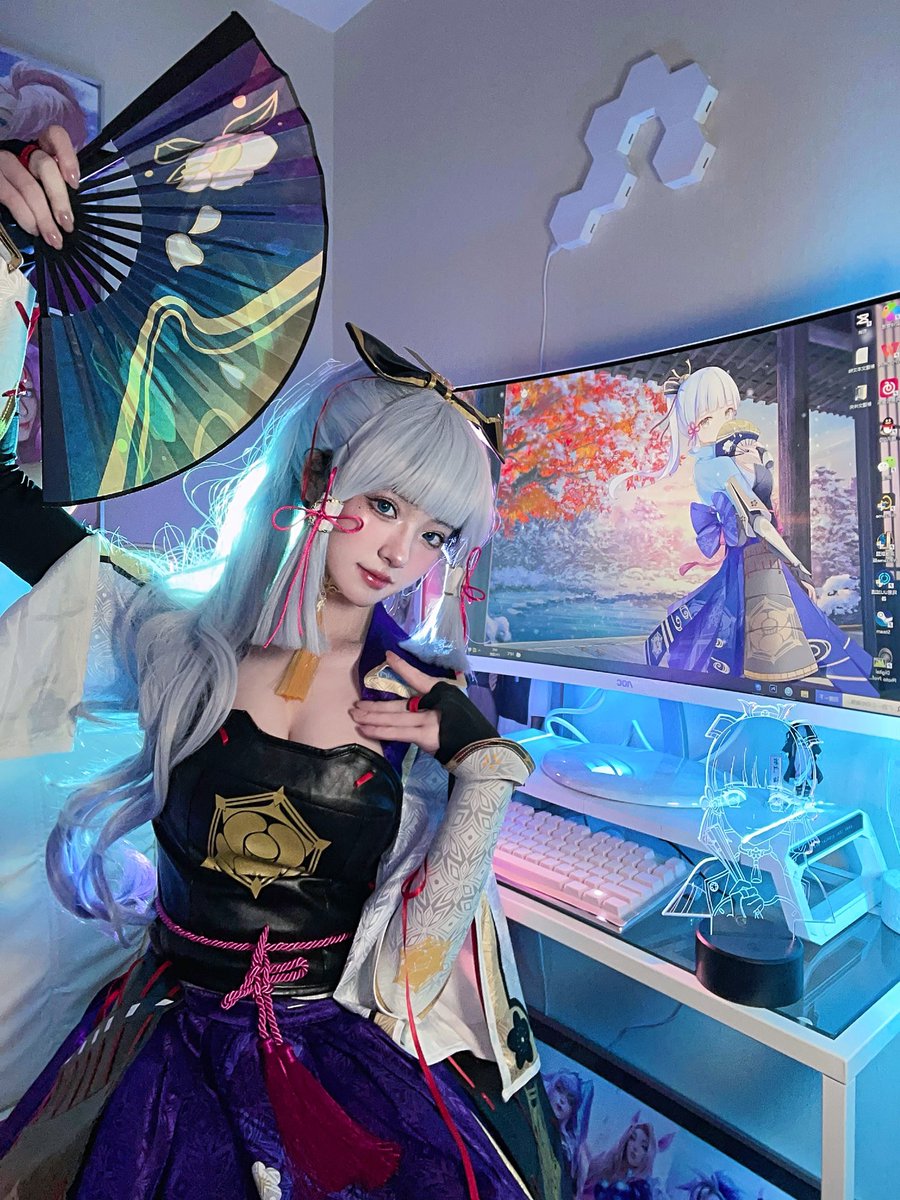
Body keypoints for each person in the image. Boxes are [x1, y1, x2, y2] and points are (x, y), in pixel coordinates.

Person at [0, 130, 569, 1200]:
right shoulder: (173, 643)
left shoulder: (421, 705)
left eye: (436, 533)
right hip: (163, 1049)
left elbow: (414, 969)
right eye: (385, 504)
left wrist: (483, 773)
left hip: (338, 1062)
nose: (401, 554)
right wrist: (4, 258)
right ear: (316, 478)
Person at [611, 363, 875, 694]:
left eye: (730, 411)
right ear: (697, 425)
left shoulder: (722, 460)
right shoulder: (718, 466)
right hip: (755, 556)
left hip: (751, 557)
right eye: (714, 416)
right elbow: (759, 522)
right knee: (777, 632)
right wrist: (796, 563)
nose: (727, 421)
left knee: (750, 630)